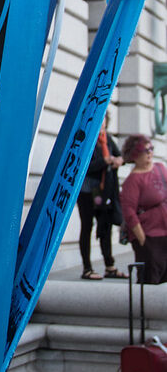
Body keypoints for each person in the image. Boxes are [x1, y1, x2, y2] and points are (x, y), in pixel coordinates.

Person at [77, 116, 127, 280]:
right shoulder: (86, 138)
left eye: (104, 120)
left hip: (105, 190)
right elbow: (82, 166)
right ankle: (87, 268)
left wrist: (118, 160)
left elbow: (120, 156)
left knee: (105, 225)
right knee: (87, 226)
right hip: (87, 190)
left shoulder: (107, 138)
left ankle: (109, 266)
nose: (102, 124)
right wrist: (104, 162)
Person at [120, 135, 167, 284]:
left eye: (151, 149)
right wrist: (142, 239)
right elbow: (129, 213)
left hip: (165, 231)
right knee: (150, 277)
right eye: (144, 150)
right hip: (149, 235)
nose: (149, 153)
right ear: (134, 154)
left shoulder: (160, 168)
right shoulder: (132, 181)